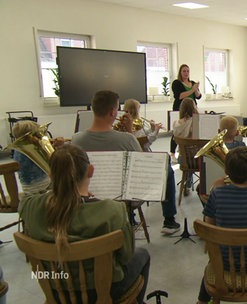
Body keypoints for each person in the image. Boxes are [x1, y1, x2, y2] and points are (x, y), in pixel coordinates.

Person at [18, 144, 150, 303]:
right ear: (91, 171)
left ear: (50, 175)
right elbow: (125, 256)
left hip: (55, 288)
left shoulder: (30, 207)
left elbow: (30, 200)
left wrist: (57, 192)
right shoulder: (113, 210)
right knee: (143, 255)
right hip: (102, 292)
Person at [72, 90, 181, 235]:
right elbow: (142, 163)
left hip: (90, 195)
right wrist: (129, 131)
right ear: (112, 112)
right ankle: (169, 221)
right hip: (123, 196)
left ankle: (130, 217)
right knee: (166, 167)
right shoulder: (126, 139)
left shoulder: (76, 139)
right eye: (117, 109)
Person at [196, 146, 247, 304]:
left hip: (224, 265)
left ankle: (201, 301)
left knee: (213, 261)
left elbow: (209, 227)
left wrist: (216, 191)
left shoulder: (217, 195)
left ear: (227, 171)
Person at [10, 120, 50, 196]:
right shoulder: (29, 150)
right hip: (41, 187)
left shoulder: (18, 149)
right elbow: (53, 161)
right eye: (37, 135)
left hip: (29, 187)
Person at [170, 64, 202, 158]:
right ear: (180, 72)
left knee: (193, 129)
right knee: (178, 130)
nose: (186, 73)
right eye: (184, 71)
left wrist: (195, 89)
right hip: (180, 108)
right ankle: (172, 152)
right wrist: (192, 90)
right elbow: (179, 96)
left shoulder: (192, 83)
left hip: (192, 109)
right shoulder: (176, 83)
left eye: (188, 71)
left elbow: (199, 96)